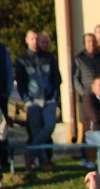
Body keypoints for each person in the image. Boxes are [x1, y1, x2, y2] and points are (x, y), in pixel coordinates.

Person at [14, 30, 61, 170]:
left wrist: (54, 98)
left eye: (36, 38)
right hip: (32, 102)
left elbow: (57, 79)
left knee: (49, 126)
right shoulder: (21, 59)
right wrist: (27, 100)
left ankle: (30, 153)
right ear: (27, 40)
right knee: (35, 131)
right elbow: (21, 82)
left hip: (49, 101)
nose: (35, 41)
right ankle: (44, 162)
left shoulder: (49, 57)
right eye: (32, 38)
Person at [74, 32, 100, 167]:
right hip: (86, 99)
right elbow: (75, 80)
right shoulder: (79, 59)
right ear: (84, 43)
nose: (91, 43)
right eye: (88, 41)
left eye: (92, 41)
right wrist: (85, 94)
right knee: (87, 129)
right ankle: (87, 159)